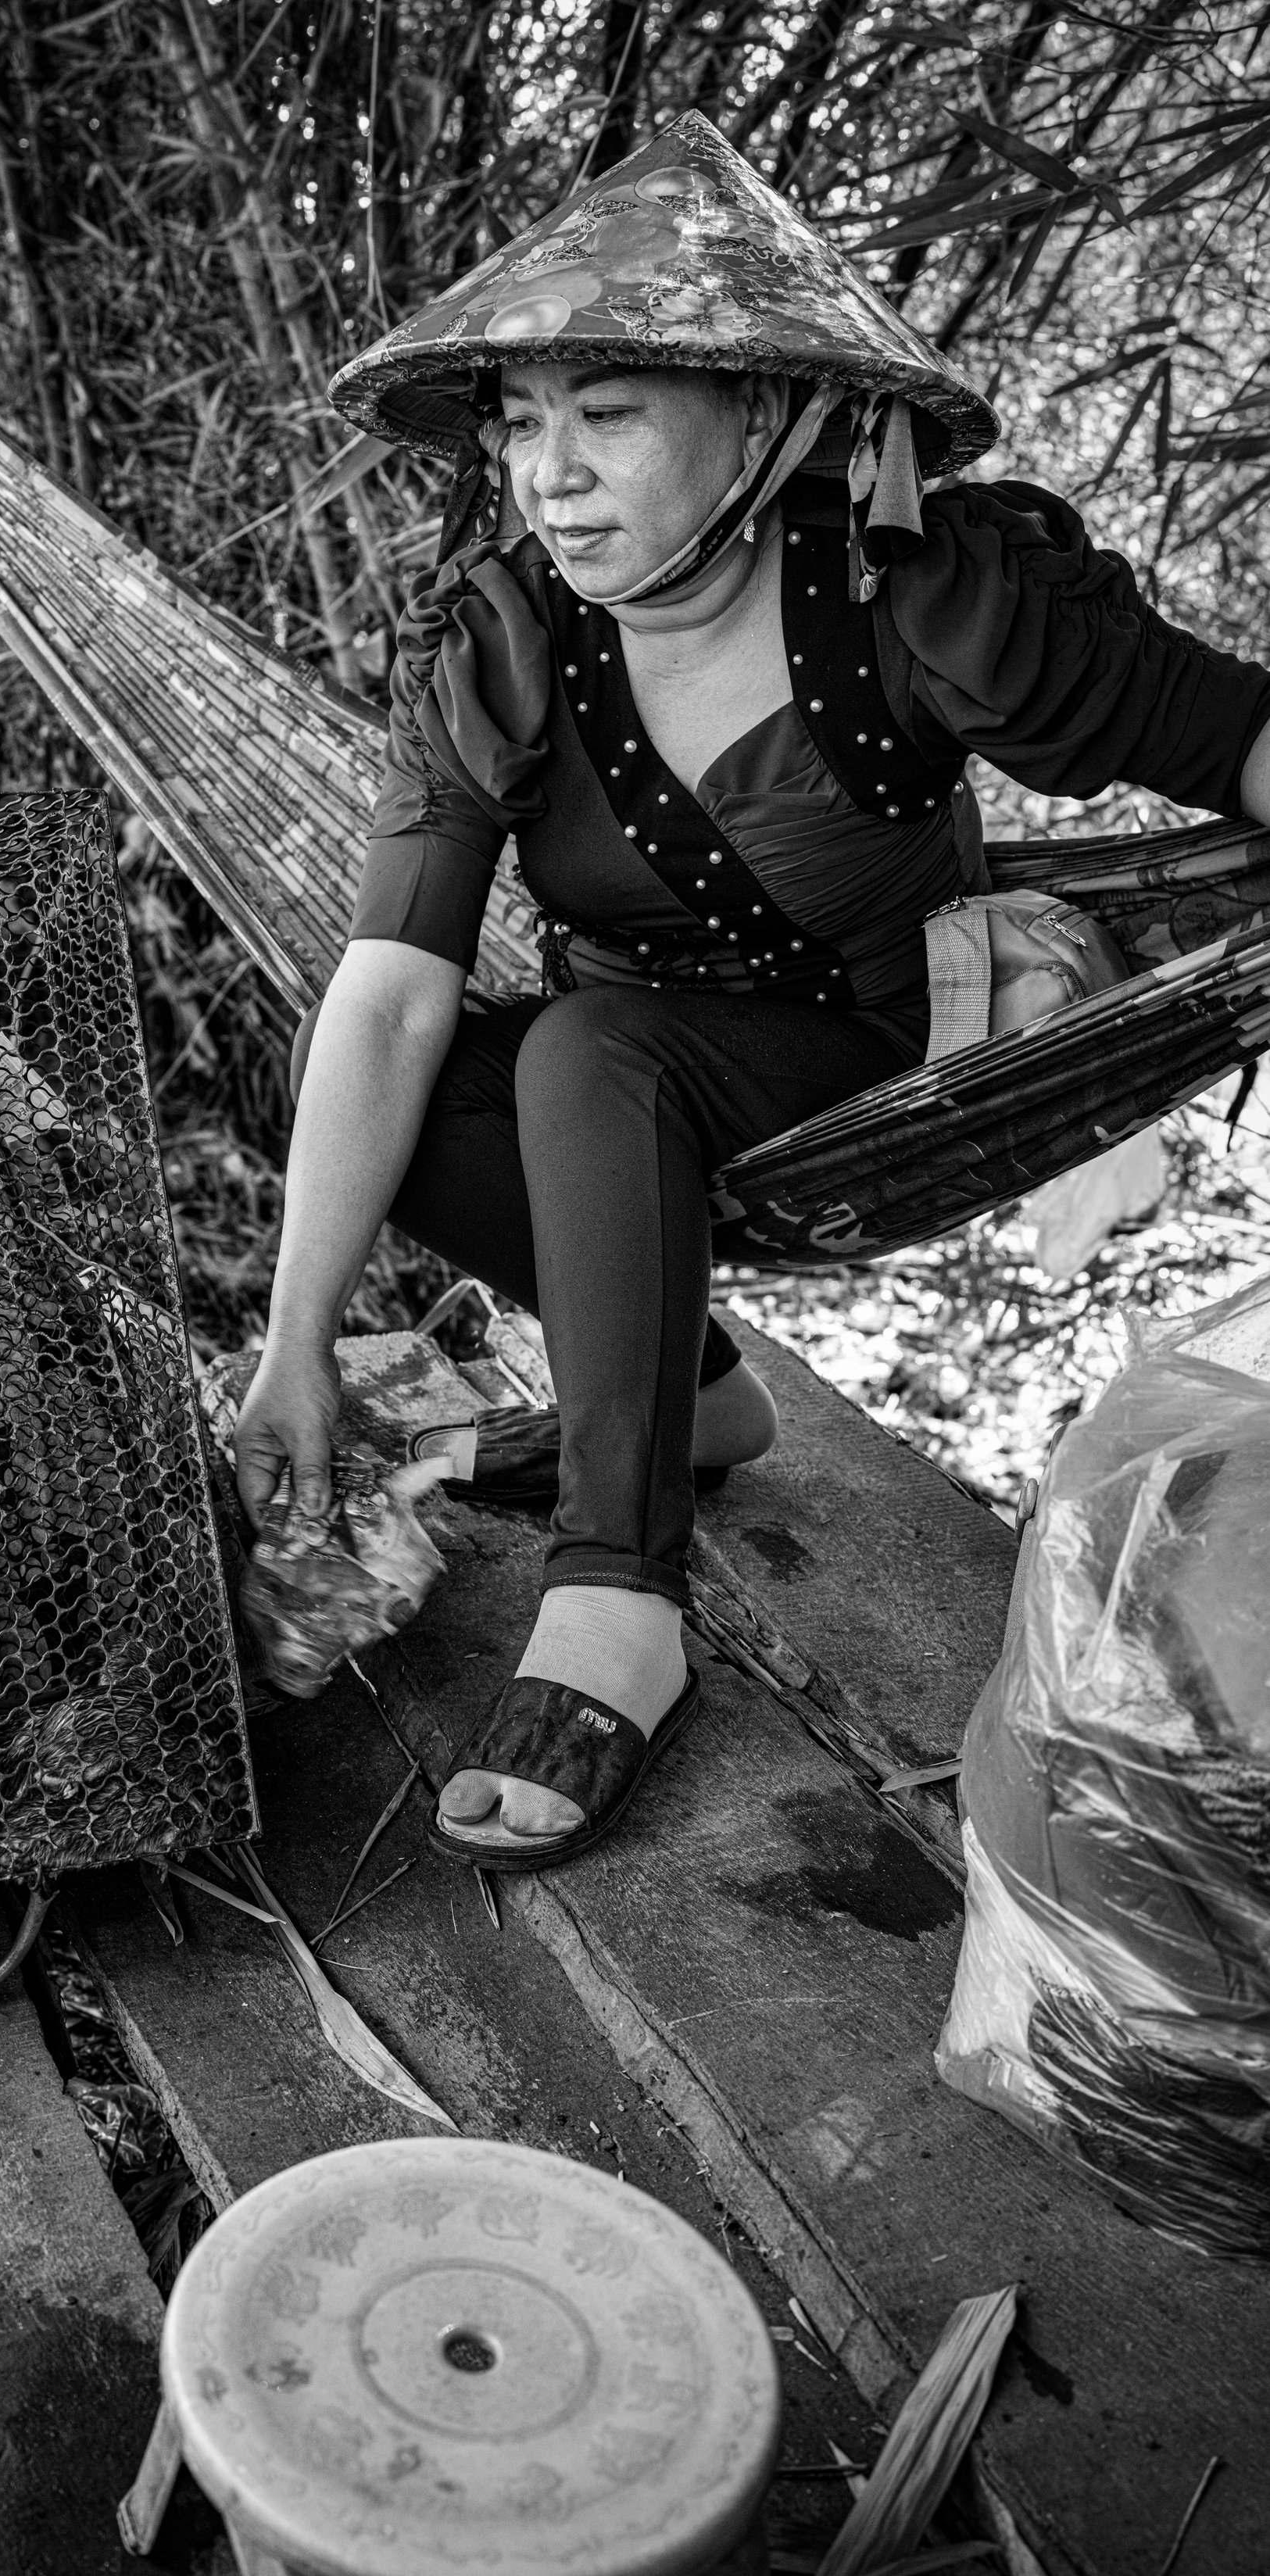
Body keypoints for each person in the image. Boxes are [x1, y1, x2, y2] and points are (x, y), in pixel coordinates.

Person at [231, 113, 1270, 1875]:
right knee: (373, 1091)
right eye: (517, 417)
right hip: (617, 1088)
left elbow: (1243, 742)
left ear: (765, 408)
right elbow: (392, 992)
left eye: (606, 410)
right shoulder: (500, 644)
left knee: (585, 1042)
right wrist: (289, 1348)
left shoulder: (924, 604)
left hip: (877, 1070)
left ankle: (618, 1600)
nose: (546, 472)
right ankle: (695, 1393)